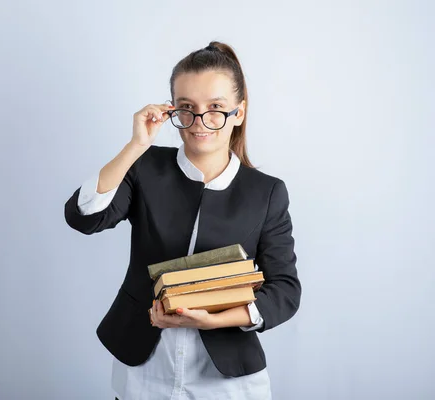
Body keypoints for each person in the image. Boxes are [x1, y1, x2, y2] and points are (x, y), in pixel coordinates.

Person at [64, 41, 301, 400]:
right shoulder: (145, 167)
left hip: (227, 379)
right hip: (143, 368)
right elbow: (84, 217)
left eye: (216, 108)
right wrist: (136, 146)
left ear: (239, 111)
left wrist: (213, 319)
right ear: (172, 108)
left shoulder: (267, 193)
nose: (199, 122)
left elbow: (285, 290)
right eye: (187, 108)